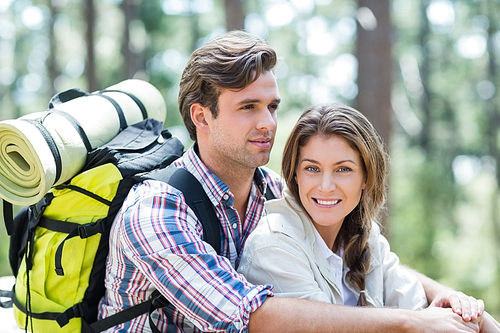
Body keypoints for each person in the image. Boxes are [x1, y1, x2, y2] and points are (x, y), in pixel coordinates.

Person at [98, 30, 494, 332]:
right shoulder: (157, 211)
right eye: (248, 107)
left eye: (272, 106)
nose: (268, 123)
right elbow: (251, 315)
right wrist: (410, 323)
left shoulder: (269, 190)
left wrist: (437, 295)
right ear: (202, 117)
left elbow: (358, 252)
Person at [238, 103, 429, 309]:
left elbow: (416, 305)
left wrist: (453, 302)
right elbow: (327, 325)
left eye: (343, 169)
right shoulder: (273, 247)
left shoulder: (367, 238)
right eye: (312, 168)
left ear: (366, 177)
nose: (326, 187)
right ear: (295, 174)